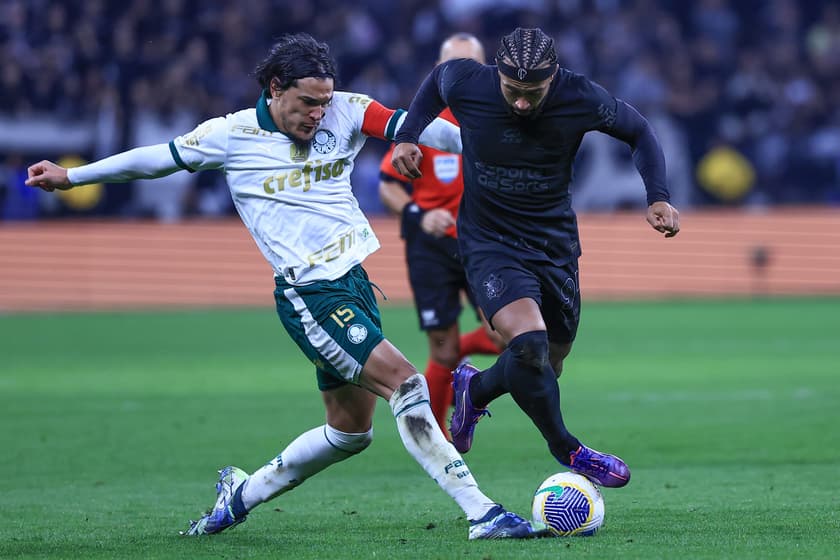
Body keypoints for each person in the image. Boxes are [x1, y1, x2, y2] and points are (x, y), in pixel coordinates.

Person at [26, 33, 544, 540]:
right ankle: (482, 512)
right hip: (310, 297)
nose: (319, 113)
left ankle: (239, 495)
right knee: (406, 384)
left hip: (355, 284)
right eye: (308, 102)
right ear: (275, 88)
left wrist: (500, 141)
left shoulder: (348, 109)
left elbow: (426, 129)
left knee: (349, 433)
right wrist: (72, 178)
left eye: (324, 101)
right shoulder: (229, 135)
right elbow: (156, 159)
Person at [391, 27, 681, 489]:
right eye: (513, 92)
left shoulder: (582, 96)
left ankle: (477, 387)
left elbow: (639, 131)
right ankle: (569, 449)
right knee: (529, 345)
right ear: (497, 75)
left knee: (550, 363)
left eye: (533, 93)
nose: (522, 103)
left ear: (554, 78)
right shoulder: (468, 81)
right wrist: (406, 136)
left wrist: (658, 196)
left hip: (554, 245)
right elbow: (435, 82)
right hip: (489, 241)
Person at [378, 33, 503, 438]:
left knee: (509, 338)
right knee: (442, 351)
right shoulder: (424, 121)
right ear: (438, 71)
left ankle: (460, 355)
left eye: (473, 65)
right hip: (430, 247)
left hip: (482, 241)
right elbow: (388, 185)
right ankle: (438, 439)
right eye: (453, 65)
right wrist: (419, 213)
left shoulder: (500, 117)